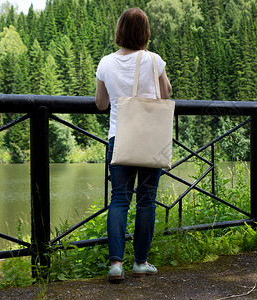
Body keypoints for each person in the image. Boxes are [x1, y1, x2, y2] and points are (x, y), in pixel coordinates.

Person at [95, 7, 172, 283]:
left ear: (120, 31)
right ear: (145, 33)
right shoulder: (154, 60)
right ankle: (140, 262)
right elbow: (165, 93)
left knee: (119, 200)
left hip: (119, 139)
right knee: (147, 200)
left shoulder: (105, 63)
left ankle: (116, 264)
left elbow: (101, 104)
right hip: (149, 139)